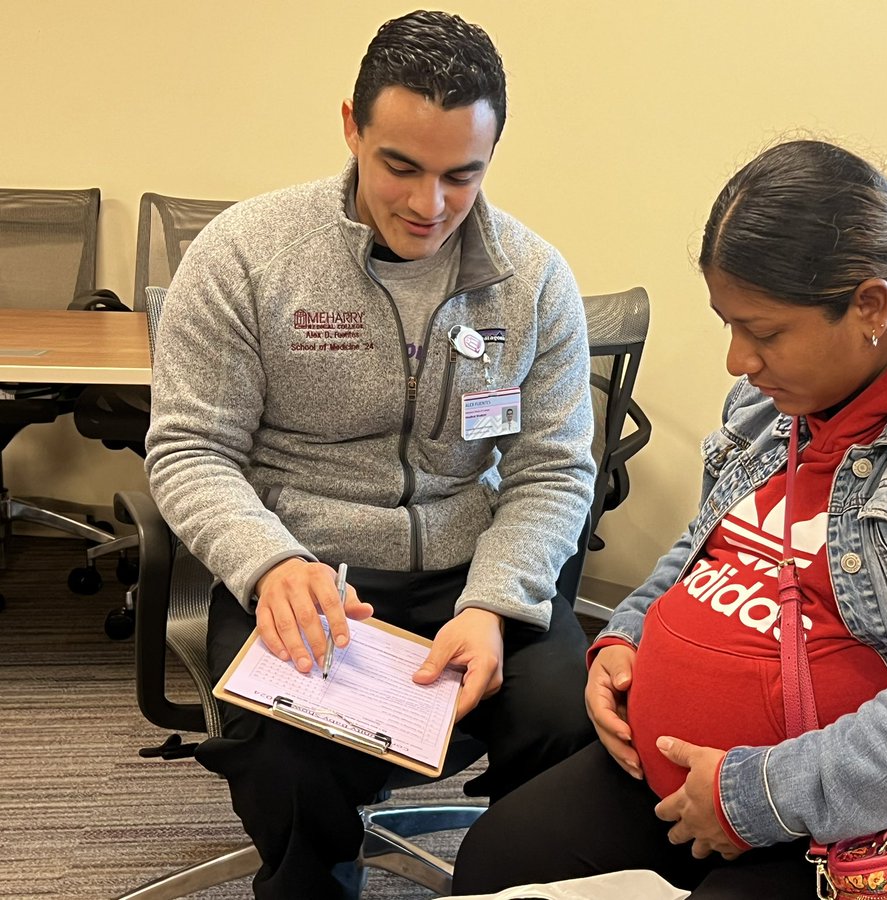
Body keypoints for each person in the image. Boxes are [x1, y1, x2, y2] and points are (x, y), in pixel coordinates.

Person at [451, 139, 887, 899]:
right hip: (685, 782)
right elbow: (702, 547)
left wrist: (756, 796)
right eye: (728, 324)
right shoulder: (774, 402)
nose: (736, 361)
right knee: (499, 857)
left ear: (868, 307)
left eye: (762, 333)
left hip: (852, 821)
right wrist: (627, 637)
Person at [144, 11, 596, 899]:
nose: (429, 205)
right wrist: (270, 563)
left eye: (461, 175)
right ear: (352, 125)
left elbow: (553, 468)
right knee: (281, 755)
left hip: (471, 573)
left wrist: (498, 605)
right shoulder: (246, 255)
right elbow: (191, 449)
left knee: (564, 719)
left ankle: (514, 877)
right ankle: (312, 880)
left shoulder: (535, 280)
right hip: (308, 570)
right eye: (401, 166)